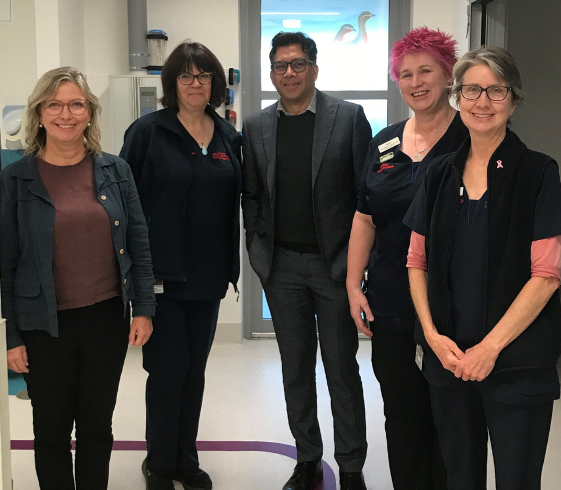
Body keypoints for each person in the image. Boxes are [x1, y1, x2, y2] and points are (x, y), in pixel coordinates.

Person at [404, 47, 561, 490]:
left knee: (517, 481)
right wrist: (431, 335)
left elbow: (546, 275)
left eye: (496, 91)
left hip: (516, 366)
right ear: (457, 97)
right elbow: (415, 261)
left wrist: (490, 348)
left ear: (514, 100)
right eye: (472, 90)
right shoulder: (438, 174)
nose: (483, 102)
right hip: (449, 361)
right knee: (459, 479)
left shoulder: (537, 173)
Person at [0, 66, 156, 490]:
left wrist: (143, 308)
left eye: (76, 104)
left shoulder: (116, 171)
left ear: (90, 113)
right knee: (50, 431)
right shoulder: (16, 179)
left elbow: (138, 243)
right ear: (39, 112)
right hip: (42, 326)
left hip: (105, 318)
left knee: (96, 427)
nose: (65, 114)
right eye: (54, 104)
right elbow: (5, 263)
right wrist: (11, 335)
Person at [242, 31, 372, 490]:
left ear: (314, 67)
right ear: (272, 72)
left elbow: (365, 197)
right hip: (281, 269)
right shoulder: (256, 127)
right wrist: (259, 252)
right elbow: (252, 195)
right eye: (281, 66)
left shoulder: (349, 118)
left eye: (298, 64)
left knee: (341, 368)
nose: (290, 73)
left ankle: (351, 465)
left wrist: (357, 270)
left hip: (334, 268)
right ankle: (307, 459)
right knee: (295, 367)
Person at [346, 27, 467, 490]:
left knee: (452, 422)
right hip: (393, 307)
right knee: (401, 417)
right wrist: (353, 284)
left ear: (448, 74)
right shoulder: (385, 143)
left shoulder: (471, 139)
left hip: (455, 311)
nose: (416, 82)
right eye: (406, 74)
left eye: (426, 71)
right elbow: (364, 217)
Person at [119, 42, 241, 490]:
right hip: (162, 277)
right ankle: (159, 462)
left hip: (208, 278)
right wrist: (135, 280)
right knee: (168, 371)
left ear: (215, 82)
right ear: (171, 83)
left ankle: (185, 459)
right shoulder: (147, 132)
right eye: (186, 76)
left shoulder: (228, 136)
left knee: (195, 372)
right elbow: (123, 203)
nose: (195, 83)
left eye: (204, 75)